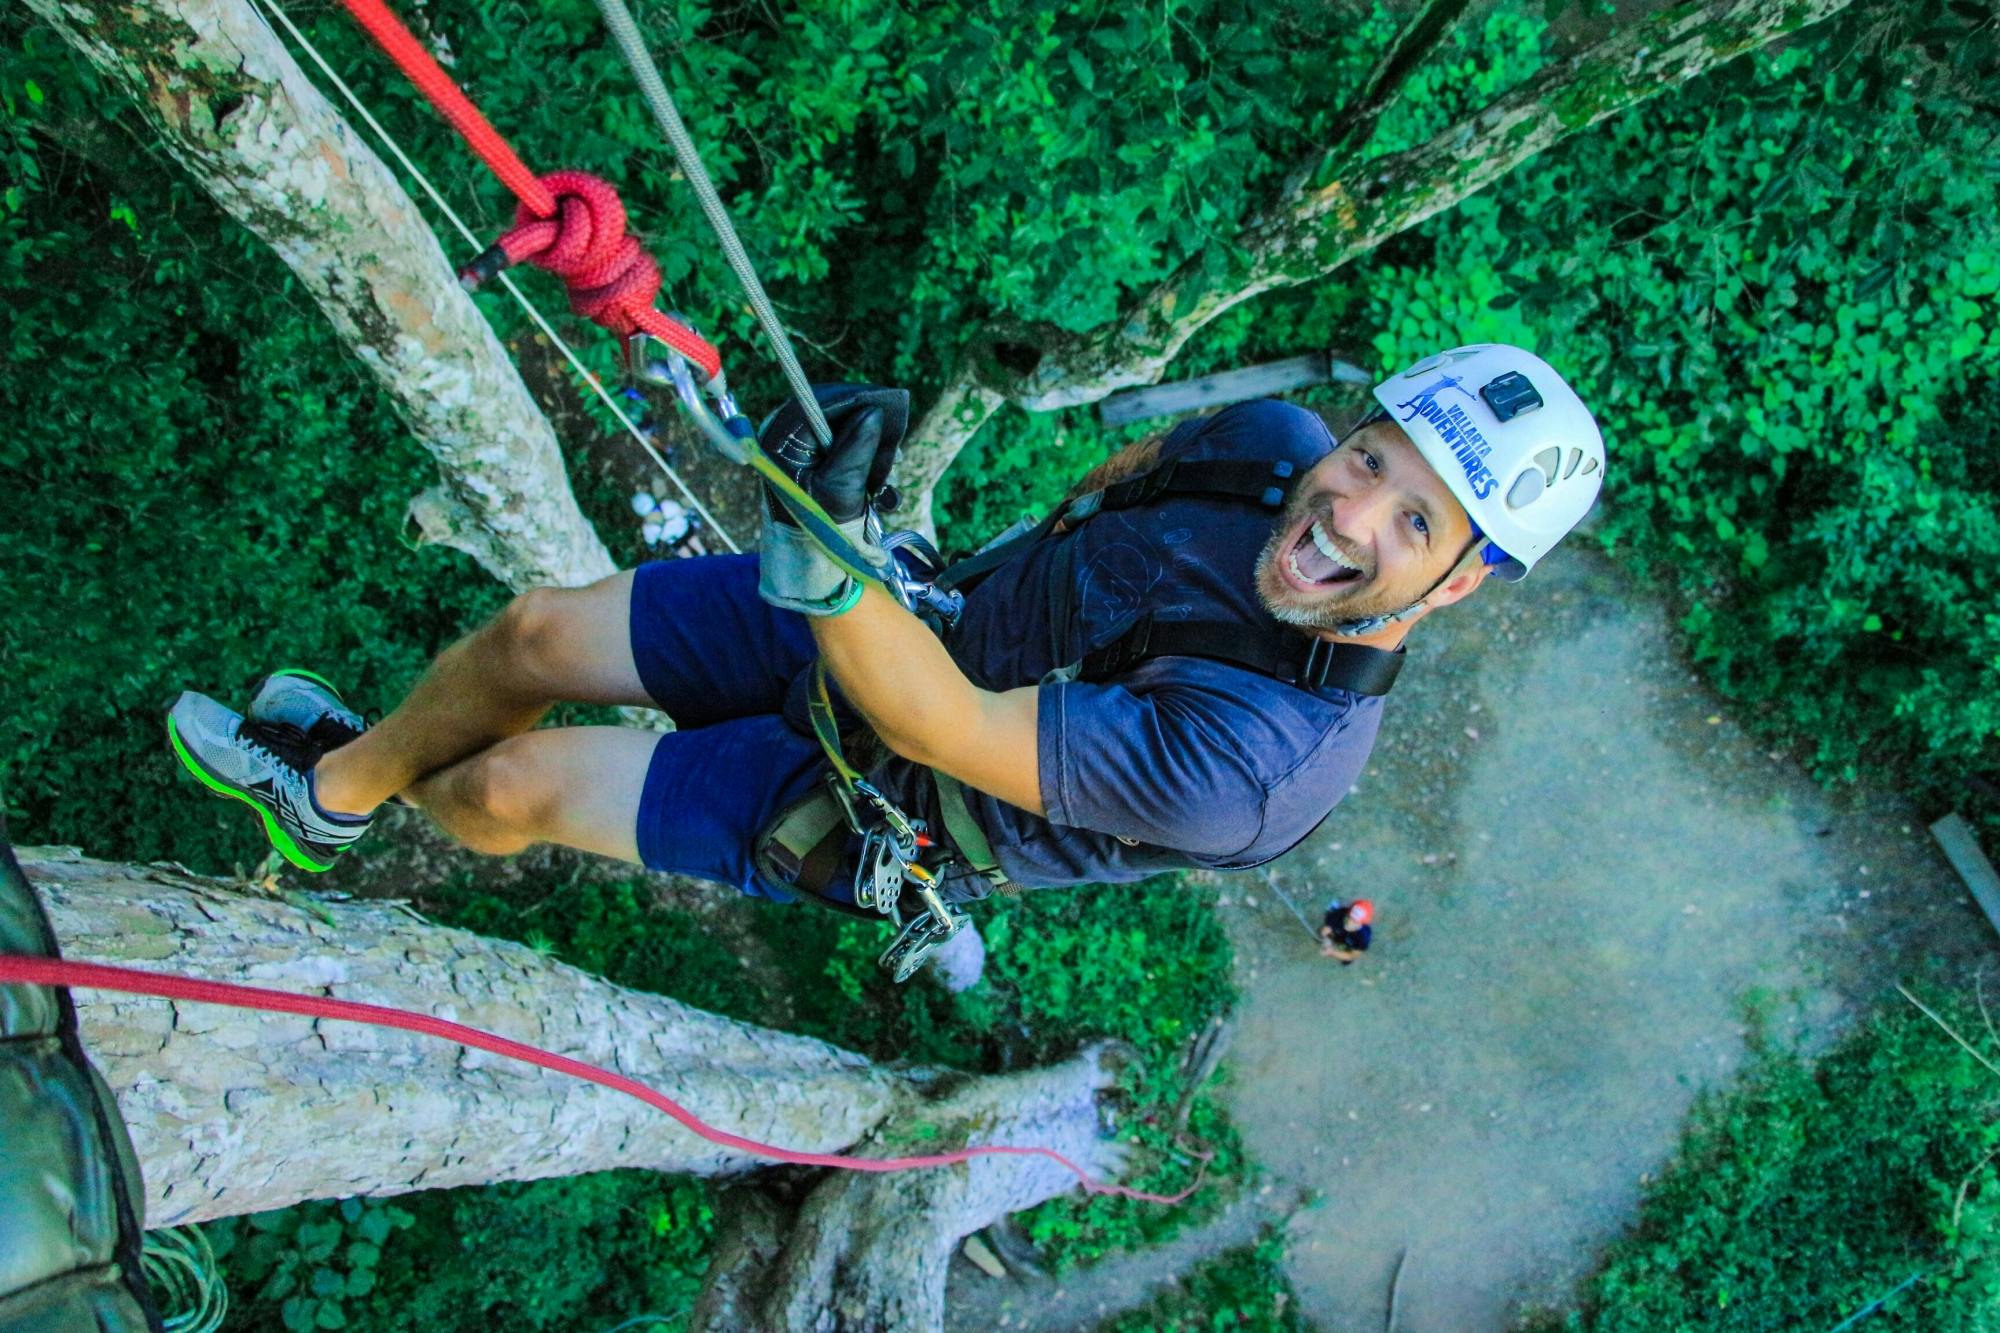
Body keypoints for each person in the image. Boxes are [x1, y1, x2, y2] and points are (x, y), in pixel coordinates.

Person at [164, 345, 1605, 935]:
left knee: (505, 791)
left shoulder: (1262, 763)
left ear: (1457, 586)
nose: (1348, 515)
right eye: (1369, 460)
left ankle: (397, 788)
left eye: (1416, 526)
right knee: (539, 633)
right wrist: (888, 557)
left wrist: (820, 540)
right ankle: (329, 797)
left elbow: (939, 730)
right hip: (913, 611)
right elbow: (1107, 492)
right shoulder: (1264, 447)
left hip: (889, 804)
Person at [1319, 898, 1374, 963]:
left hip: (1350, 940)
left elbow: (1351, 956)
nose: (1349, 923)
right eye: (1349, 917)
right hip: (1340, 932)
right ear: (1348, 912)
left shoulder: (1363, 938)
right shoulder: (1338, 914)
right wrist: (1327, 943)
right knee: (1334, 936)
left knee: (1346, 961)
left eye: (1355, 921)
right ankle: (1338, 940)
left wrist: (1332, 952)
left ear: (1362, 924)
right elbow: (1325, 931)